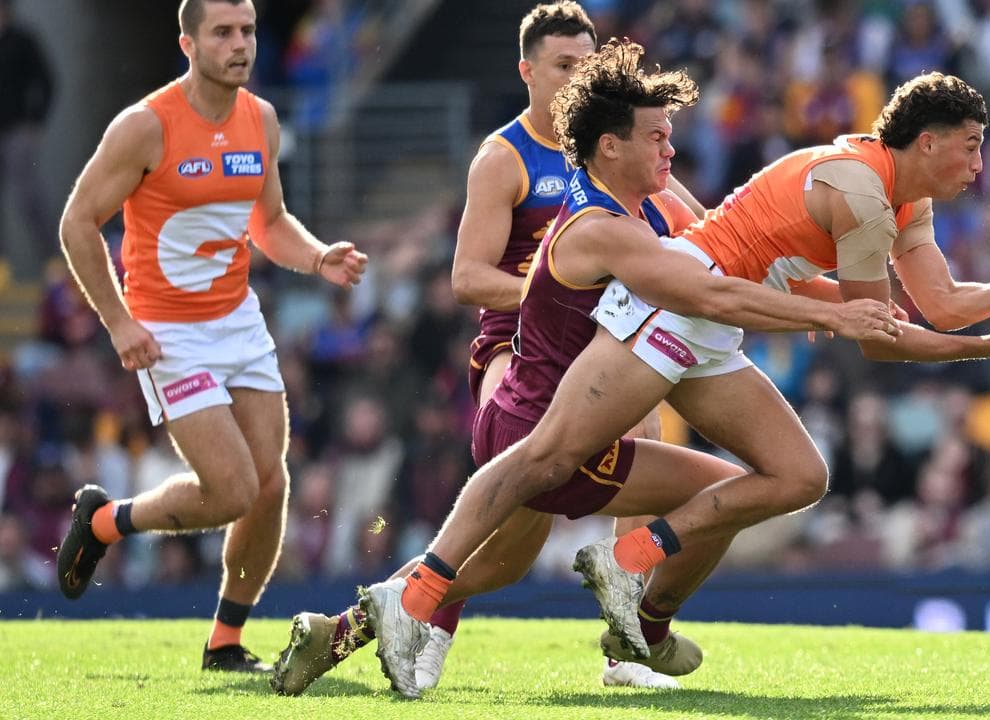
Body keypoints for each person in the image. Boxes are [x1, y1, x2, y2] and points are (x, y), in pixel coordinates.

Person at [359, 65, 990, 694]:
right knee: (543, 458)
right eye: (973, 144)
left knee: (799, 476)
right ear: (930, 142)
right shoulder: (860, 198)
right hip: (679, 304)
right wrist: (971, 349)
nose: (981, 162)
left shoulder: (903, 202)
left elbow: (939, 304)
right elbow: (876, 335)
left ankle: (633, 567)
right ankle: (421, 594)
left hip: (714, 319)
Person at [269, 1, 708, 694]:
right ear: (526, 72)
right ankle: (378, 627)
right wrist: (564, 282)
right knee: (506, 545)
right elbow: (467, 278)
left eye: (588, 65)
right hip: (521, 352)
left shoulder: (619, 144)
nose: (577, 79)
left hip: (601, 347)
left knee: (638, 424)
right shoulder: (502, 158)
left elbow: (702, 230)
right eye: (563, 66)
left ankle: (623, 647)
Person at [55, 0, 366, 674]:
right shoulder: (146, 126)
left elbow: (271, 220)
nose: (240, 45)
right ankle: (106, 522)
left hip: (238, 321)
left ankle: (225, 643)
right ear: (188, 44)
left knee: (271, 486)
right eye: (223, 33)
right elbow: (78, 223)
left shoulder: (263, 120)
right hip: (167, 331)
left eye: (248, 31)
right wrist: (119, 322)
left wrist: (316, 257)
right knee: (230, 489)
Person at [0, 0, 55, 279]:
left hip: (18, 129)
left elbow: (46, 79)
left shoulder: (23, 41)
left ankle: (52, 261)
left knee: (29, 195)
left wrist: (36, 121)